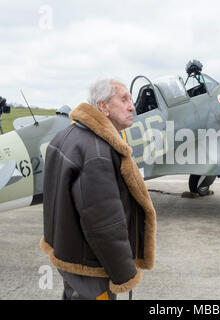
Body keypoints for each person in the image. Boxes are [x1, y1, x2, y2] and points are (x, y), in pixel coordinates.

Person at [40, 79, 157, 300]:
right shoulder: (97, 153)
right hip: (92, 265)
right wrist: (124, 274)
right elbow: (104, 225)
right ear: (102, 107)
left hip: (69, 256)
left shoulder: (67, 135)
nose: (132, 106)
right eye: (123, 100)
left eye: (130, 100)